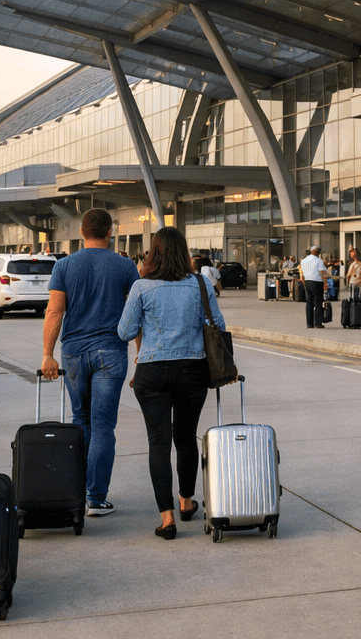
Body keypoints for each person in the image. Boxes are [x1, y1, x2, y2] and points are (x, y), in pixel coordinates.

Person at [117, 227, 225, 540]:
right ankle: (186, 501)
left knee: (158, 443)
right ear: (184, 251)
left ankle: (167, 519)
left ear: (154, 252)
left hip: (152, 372)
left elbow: (125, 332)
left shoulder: (141, 286)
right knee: (186, 438)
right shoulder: (201, 283)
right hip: (192, 370)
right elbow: (217, 324)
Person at [42, 208, 140, 516]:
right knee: (103, 426)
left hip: (72, 352)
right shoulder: (126, 266)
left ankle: (76, 493)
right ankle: (96, 498)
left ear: (82, 232)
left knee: (80, 421)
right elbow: (137, 313)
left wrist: (47, 353)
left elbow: (54, 311)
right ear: (110, 232)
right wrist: (142, 355)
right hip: (111, 352)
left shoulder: (64, 265)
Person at [300, 245, 327, 329]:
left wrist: (302, 277)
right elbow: (322, 272)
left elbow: (301, 271)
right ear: (316, 252)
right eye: (318, 252)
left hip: (308, 282)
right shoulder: (319, 260)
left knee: (309, 303)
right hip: (317, 282)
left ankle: (309, 323)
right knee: (318, 303)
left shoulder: (304, 260)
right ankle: (318, 323)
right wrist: (325, 283)